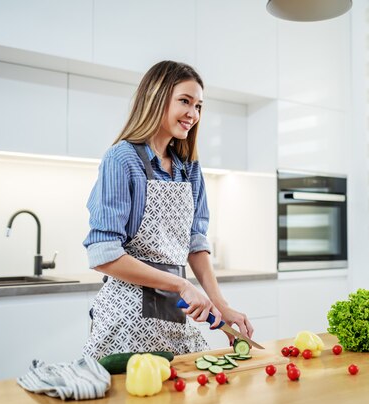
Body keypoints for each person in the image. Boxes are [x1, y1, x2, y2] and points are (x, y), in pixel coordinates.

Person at [82, 60, 254, 359]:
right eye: (185, 101)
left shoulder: (189, 169)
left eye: (199, 105)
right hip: (125, 318)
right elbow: (103, 254)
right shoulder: (122, 159)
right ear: (156, 99)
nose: (193, 114)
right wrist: (180, 284)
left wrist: (221, 305)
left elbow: (195, 243)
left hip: (174, 313)